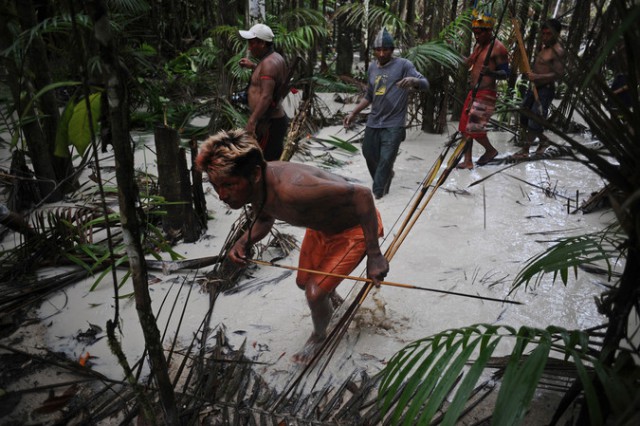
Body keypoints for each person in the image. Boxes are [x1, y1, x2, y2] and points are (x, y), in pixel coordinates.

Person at [195, 129, 389, 363]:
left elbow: (363, 196)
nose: (222, 195)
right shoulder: (258, 187)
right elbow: (265, 219)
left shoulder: (294, 188)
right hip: (320, 228)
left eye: (228, 185)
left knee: (314, 293)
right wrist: (243, 241)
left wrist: (375, 254)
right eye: (216, 187)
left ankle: (319, 336)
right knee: (303, 282)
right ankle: (333, 297)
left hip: (355, 229)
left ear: (255, 174)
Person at [343, 29, 429, 199]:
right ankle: (385, 178)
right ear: (373, 50)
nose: (381, 53)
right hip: (374, 121)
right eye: (378, 50)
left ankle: (378, 196)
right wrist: (353, 112)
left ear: (392, 49)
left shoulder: (404, 65)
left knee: (385, 160)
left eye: (386, 50)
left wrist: (414, 81)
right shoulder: (372, 67)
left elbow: (425, 83)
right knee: (368, 153)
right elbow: (369, 96)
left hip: (394, 124)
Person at [456, 11, 510, 169]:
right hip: (473, 92)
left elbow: (506, 74)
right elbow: (469, 62)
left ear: (489, 31)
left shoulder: (498, 48)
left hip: (486, 93)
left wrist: (491, 73)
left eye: (479, 33)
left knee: (475, 129)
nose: (476, 37)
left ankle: (491, 150)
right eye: (474, 33)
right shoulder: (478, 45)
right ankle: (468, 161)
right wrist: (451, 54)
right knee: (464, 128)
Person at [515, 18, 565, 158]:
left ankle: (525, 150)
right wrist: (531, 75)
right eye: (543, 34)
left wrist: (537, 77)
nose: (545, 37)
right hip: (534, 88)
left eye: (549, 34)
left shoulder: (558, 51)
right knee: (524, 115)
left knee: (535, 119)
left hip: (545, 89)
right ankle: (544, 141)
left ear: (557, 33)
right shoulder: (543, 49)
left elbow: (558, 74)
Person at [238, 23, 289, 161]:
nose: (249, 47)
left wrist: (252, 121)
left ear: (262, 43)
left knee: (265, 164)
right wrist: (253, 66)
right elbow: (269, 78)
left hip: (270, 123)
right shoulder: (274, 58)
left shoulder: (269, 64)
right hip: (271, 121)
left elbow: (266, 97)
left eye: (252, 43)